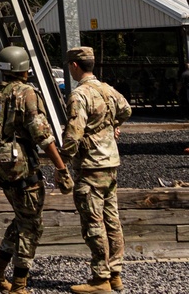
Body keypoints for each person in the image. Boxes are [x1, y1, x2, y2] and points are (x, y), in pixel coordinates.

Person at [0, 45, 71, 293]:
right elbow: (41, 134)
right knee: (32, 224)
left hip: (0, 165)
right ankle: (20, 284)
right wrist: (61, 168)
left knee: (23, 218)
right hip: (21, 167)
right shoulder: (26, 93)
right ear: (24, 69)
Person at [62, 45, 133, 294]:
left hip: (91, 166)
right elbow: (126, 109)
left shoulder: (79, 95)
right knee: (112, 219)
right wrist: (111, 125)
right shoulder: (107, 89)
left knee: (93, 222)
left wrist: (62, 160)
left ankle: (100, 279)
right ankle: (116, 274)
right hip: (111, 163)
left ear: (74, 66)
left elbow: (73, 132)